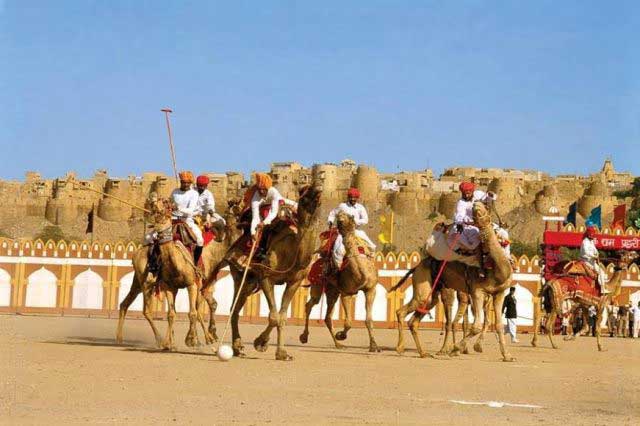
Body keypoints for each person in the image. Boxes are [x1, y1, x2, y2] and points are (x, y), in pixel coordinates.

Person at [327, 188, 376, 267]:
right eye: (351, 197)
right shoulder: (342, 206)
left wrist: (354, 221)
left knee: (372, 246)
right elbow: (333, 213)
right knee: (339, 251)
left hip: (355, 231)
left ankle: (371, 264)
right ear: (348, 197)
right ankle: (337, 270)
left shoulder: (360, 208)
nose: (353, 199)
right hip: (343, 233)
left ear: (357, 198)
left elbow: (365, 220)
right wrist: (330, 221)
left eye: (354, 197)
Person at [171, 171, 204, 264]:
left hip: (187, 220)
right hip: (173, 219)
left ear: (190, 183)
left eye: (187, 182)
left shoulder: (194, 194)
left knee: (200, 240)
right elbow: (170, 203)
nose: (185, 184)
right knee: (152, 237)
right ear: (180, 182)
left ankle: (195, 263)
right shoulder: (174, 192)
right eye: (183, 182)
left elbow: (190, 210)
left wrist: (178, 208)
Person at [194, 175, 226, 240]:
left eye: (204, 186)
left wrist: (208, 215)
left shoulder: (208, 194)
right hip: (192, 214)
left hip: (205, 214)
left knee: (221, 223)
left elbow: (210, 207)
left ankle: (219, 239)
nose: (202, 188)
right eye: (200, 186)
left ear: (206, 186)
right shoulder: (192, 192)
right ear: (197, 185)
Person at [580, 226, 608, 293]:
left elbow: (595, 250)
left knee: (602, 272)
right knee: (600, 273)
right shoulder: (585, 242)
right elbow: (586, 252)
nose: (592, 236)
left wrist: (597, 254)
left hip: (592, 261)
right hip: (586, 261)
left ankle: (603, 287)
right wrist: (593, 256)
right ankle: (602, 290)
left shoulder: (591, 241)